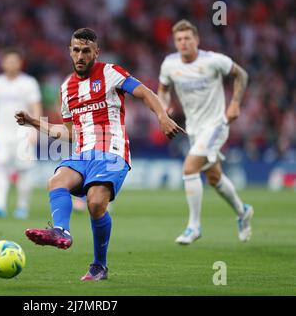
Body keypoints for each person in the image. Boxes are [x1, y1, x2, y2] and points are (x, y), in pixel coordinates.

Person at [15, 28, 184, 281]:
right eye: (76, 50)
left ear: (96, 52)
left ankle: (99, 266)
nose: (80, 56)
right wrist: (34, 122)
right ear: (69, 51)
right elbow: (71, 132)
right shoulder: (66, 88)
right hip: (83, 153)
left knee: (95, 203)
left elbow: (145, 93)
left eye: (86, 51)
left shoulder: (110, 73)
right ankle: (61, 231)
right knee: (56, 180)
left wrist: (162, 116)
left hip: (112, 151)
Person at [157, 20, 253, 245]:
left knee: (190, 168)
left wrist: (235, 103)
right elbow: (163, 88)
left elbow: (242, 75)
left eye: (187, 38)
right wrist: (164, 106)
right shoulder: (169, 64)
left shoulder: (213, 60)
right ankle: (243, 211)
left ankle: (194, 226)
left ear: (196, 40)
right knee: (214, 177)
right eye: (179, 39)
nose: (183, 43)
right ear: (175, 42)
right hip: (195, 128)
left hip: (217, 124)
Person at [0, 49, 42, 219]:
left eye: (15, 61)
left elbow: (36, 107)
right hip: (1, 132)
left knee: (24, 171)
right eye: (8, 61)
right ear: (3, 63)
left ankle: (22, 207)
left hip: (23, 132)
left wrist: (35, 129)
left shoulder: (29, 83)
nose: (11, 64)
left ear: (20, 63)